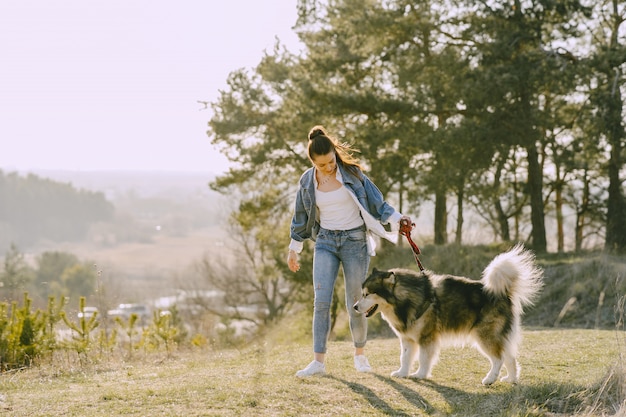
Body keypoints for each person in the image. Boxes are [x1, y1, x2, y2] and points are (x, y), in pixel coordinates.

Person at [288, 125, 411, 377]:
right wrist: (294, 248)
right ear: (313, 162)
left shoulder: (353, 174)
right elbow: (300, 217)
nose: (328, 168)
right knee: (321, 301)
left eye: (331, 162)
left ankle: (360, 355)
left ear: (335, 153)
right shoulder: (306, 181)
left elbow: (378, 203)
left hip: (355, 241)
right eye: (321, 165)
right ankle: (318, 362)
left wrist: (399, 218)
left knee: (356, 300)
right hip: (325, 242)